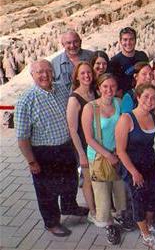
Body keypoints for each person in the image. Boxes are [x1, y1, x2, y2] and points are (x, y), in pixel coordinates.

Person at [15, 59, 88, 237]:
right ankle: (51, 223)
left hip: (65, 147)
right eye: (40, 72)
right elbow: (22, 137)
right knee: (47, 191)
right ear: (32, 74)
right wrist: (32, 161)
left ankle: (69, 206)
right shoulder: (26, 101)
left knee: (70, 180)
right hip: (43, 153)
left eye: (48, 71)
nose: (45, 75)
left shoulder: (62, 89)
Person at [115, 83, 155, 249]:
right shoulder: (126, 119)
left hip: (152, 167)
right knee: (139, 202)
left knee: (153, 199)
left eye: (153, 98)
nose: (149, 101)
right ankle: (145, 235)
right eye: (145, 97)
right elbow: (121, 151)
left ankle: (149, 226)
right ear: (137, 97)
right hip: (133, 169)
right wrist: (134, 172)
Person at [81, 74, 129, 245]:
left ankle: (119, 217)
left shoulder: (118, 102)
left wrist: (118, 152)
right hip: (99, 158)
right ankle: (108, 225)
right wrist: (108, 155)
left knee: (118, 190)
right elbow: (89, 138)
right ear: (99, 88)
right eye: (105, 87)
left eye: (113, 86)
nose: (109, 90)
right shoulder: (90, 108)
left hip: (117, 155)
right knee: (102, 195)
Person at [66, 62, 97, 223]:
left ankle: (100, 206)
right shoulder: (74, 99)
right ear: (77, 76)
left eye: (89, 73)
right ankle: (92, 211)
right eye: (83, 73)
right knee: (88, 179)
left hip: (98, 142)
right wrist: (81, 154)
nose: (86, 76)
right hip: (84, 145)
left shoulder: (94, 92)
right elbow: (72, 129)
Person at [110, 27, 148, 97]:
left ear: (135, 40)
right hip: (124, 97)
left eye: (131, 39)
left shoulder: (142, 56)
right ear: (120, 41)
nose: (128, 42)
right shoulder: (114, 61)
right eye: (125, 40)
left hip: (144, 93)